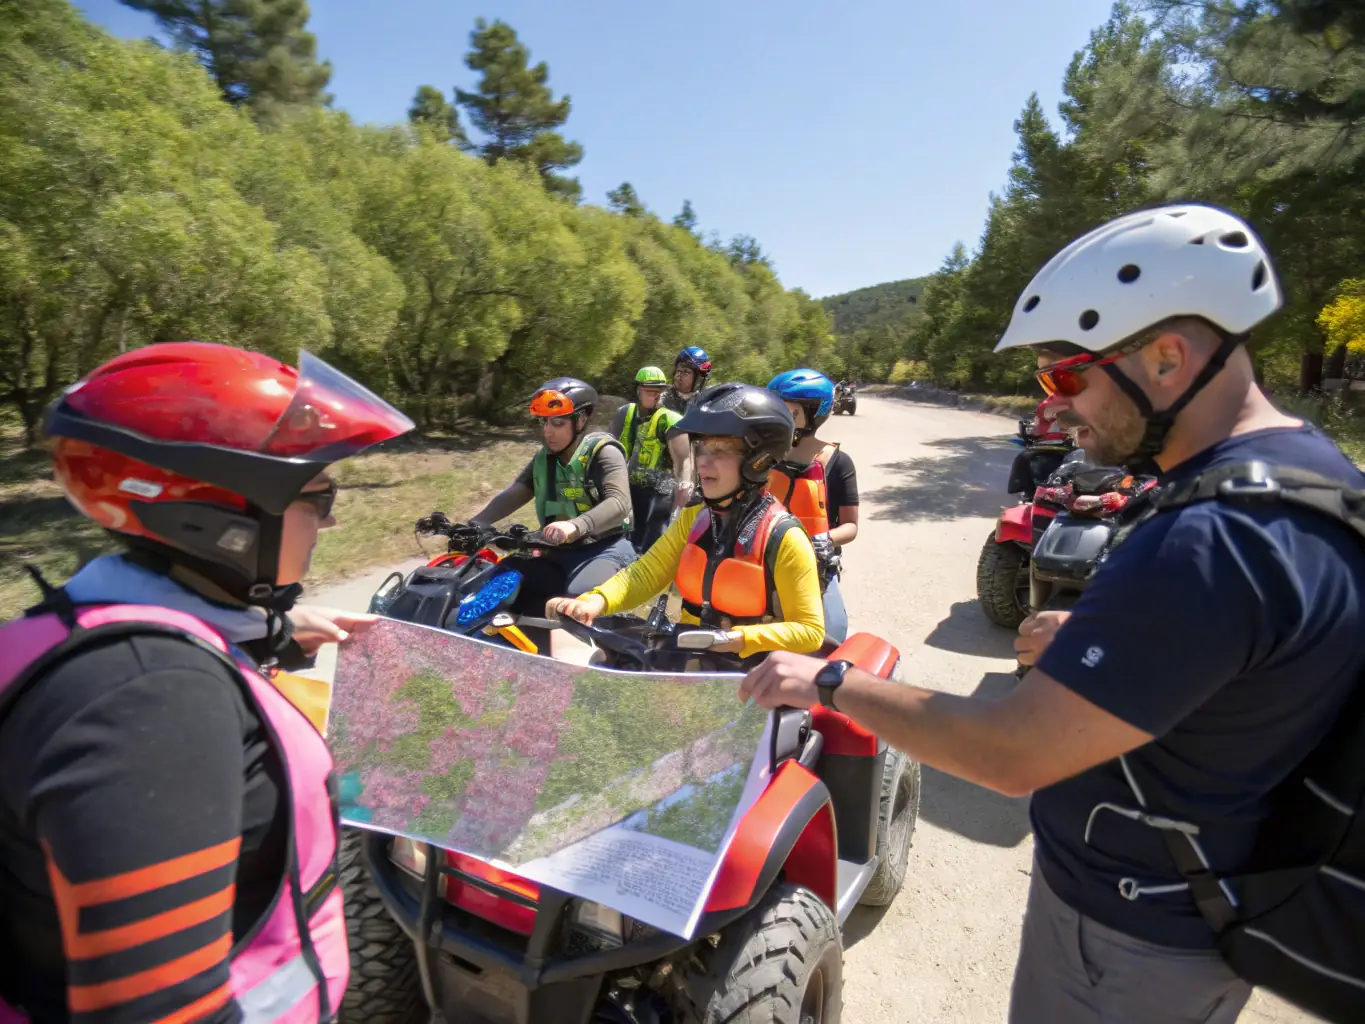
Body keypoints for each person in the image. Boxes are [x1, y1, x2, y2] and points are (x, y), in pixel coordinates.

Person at [735, 203, 1365, 1023]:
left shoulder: (1211, 538)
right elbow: (1256, 657)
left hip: (1127, 938)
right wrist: (1118, 644)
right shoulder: (1303, 468)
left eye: (1067, 375)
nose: (1055, 408)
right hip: (1198, 902)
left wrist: (829, 680)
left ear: (1167, 358)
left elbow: (1010, 754)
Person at [0, 341, 415, 1024]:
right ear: (219, 520)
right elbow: (159, 1012)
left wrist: (277, 632)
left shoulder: (92, 631)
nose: (332, 521)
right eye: (318, 497)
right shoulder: (150, 700)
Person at [547, 382, 825, 661]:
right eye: (701, 448)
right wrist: (595, 601)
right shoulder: (696, 517)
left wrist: (736, 639)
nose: (703, 463)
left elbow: (811, 631)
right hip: (690, 672)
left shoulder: (784, 537)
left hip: (749, 681)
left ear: (760, 459)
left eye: (720, 449)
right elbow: (647, 572)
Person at [468, 376, 637, 615]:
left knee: (576, 601)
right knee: (502, 578)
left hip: (605, 549)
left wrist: (576, 525)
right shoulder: (544, 458)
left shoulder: (604, 452)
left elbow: (619, 502)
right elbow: (517, 491)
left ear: (580, 419)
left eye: (557, 423)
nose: (548, 432)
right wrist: (477, 523)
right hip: (557, 553)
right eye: (544, 423)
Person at [765, 368, 860, 643]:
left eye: (787, 409)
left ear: (813, 412)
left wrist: (821, 540)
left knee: (832, 635)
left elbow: (851, 527)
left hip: (814, 566)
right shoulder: (762, 454)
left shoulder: (838, 463)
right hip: (762, 558)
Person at [609, 365, 694, 551]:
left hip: (661, 494)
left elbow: (683, 459)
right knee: (623, 539)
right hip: (629, 488)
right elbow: (609, 446)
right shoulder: (625, 413)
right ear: (638, 391)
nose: (655, 396)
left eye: (659, 391)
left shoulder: (670, 419)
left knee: (650, 544)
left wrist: (685, 484)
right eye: (649, 391)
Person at [662, 345, 712, 415]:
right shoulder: (662, 398)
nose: (678, 375)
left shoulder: (709, 402)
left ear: (699, 378)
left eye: (685, 372)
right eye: (678, 370)